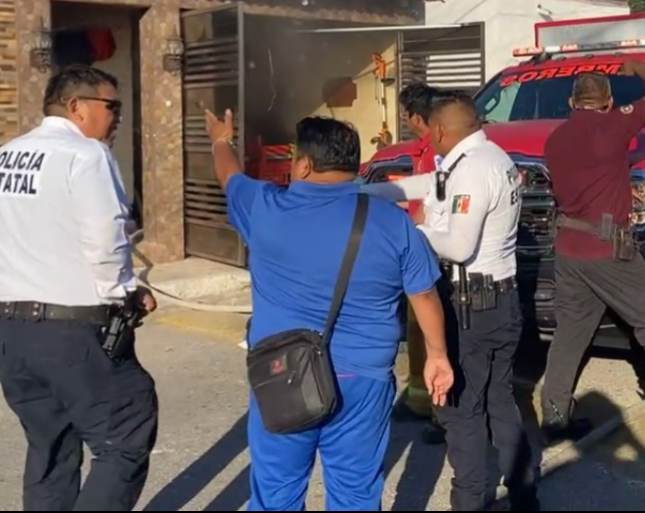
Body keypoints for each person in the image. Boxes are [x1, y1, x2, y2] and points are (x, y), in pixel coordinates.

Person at [205, 110, 454, 511]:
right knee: (355, 493)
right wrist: (437, 355)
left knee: (277, 493)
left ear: (303, 164)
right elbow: (424, 294)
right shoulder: (392, 222)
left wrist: (221, 139)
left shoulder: (265, 208)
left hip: (283, 375)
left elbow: (228, 175)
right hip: (364, 380)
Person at [0, 64, 158, 511]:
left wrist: (22, 262)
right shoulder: (87, 155)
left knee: (51, 449)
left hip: (11, 335)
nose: (117, 117)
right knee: (125, 436)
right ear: (76, 106)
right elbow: (105, 238)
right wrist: (124, 290)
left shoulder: (4, 154)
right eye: (112, 107)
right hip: (74, 335)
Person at [362, 91, 541, 511]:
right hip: (498, 301)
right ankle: (524, 493)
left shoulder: (474, 170)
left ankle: (470, 502)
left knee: (463, 415)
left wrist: (411, 235)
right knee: (500, 401)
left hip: (472, 309)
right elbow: (429, 184)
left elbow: (459, 247)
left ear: (440, 130)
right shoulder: (486, 157)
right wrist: (364, 192)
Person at [541, 61, 645, 437]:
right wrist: (641, 69)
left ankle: (554, 416)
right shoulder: (613, 125)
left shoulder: (556, 139)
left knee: (570, 334)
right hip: (608, 249)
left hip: (568, 250)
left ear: (571, 101)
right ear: (609, 101)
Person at [396, 82, 448, 444]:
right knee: (416, 330)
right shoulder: (426, 149)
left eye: (406, 117)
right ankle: (419, 400)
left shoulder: (437, 153)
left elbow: (432, 203)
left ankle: (440, 411)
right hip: (420, 245)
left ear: (417, 117)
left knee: (432, 331)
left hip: (430, 250)